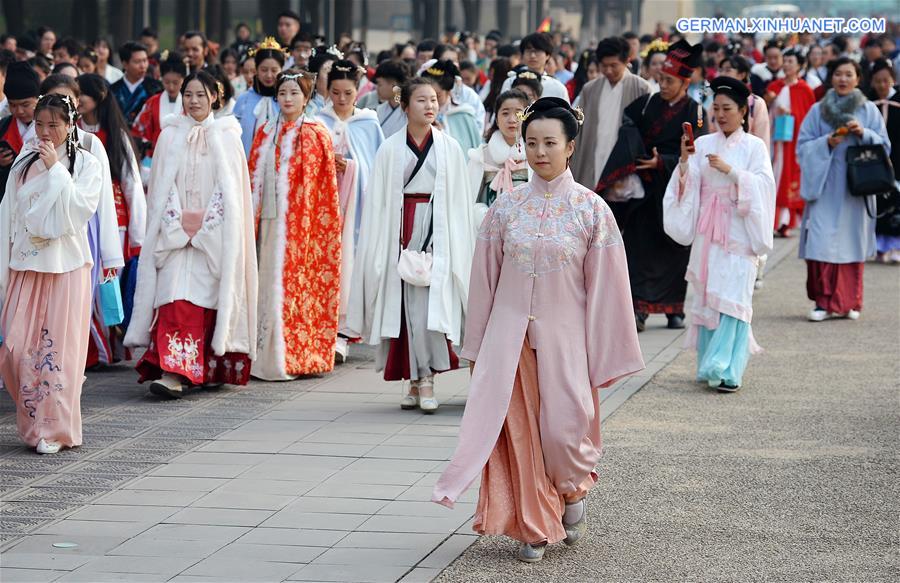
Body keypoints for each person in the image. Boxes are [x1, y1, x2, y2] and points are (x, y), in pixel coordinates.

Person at [433, 97, 644, 563]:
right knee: (520, 434)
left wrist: (602, 352)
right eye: (531, 143)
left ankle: (571, 491)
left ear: (570, 147)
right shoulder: (505, 208)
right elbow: (484, 281)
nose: (540, 152)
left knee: (565, 434)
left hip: (567, 343)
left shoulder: (591, 210)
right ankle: (532, 524)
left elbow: (609, 289)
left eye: (550, 142)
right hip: (509, 342)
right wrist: (476, 346)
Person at [125, 70, 257, 398]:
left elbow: (232, 194)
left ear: (215, 96)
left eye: (201, 94)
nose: (194, 101)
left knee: (204, 301)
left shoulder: (228, 136)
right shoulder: (170, 135)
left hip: (212, 238)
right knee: (174, 298)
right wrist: (177, 223)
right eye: (188, 94)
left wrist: (205, 225)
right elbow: (160, 189)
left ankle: (205, 367)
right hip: (173, 237)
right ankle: (174, 370)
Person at [347, 78, 475, 414]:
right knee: (406, 306)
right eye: (421, 100)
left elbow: (459, 201)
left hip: (437, 231)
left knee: (427, 304)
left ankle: (426, 378)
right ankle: (416, 379)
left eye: (434, 100)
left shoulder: (450, 147)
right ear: (405, 106)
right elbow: (378, 202)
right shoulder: (390, 148)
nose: (430, 106)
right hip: (400, 230)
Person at [0, 93, 102, 454]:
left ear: (70, 125)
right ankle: (32, 422)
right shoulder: (23, 163)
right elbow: (9, 215)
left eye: (53, 125)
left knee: (58, 352)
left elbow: (80, 210)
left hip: (66, 267)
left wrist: (56, 170)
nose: (44, 132)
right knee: (16, 350)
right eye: (39, 124)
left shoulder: (86, 163)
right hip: (26, 266)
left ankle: (55, 430)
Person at [663, 76, 775, 391]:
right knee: (711, 296)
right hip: (709, 232)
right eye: (716, 108)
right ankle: (709, 364)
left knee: (735, 296)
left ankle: (728, 369)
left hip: (739, 228)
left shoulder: (755, 147)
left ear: (743, 112)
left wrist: (734, 173)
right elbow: (688, 186)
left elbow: (765, 187)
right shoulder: (704, 144)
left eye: (728, 108)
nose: (721, 114)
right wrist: (685, 160)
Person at [596, 39, 707, 332]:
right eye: (661, 80)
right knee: (639, 248)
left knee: (675, 246)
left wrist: (664, 162)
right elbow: (629, 124)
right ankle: (639, 309)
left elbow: (697, 153)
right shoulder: (647, 104)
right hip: (644, 189)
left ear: (685, 82)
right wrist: (636, 155)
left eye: (670, 81)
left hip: (674, 187)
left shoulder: (695, 112)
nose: (664, 85)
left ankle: (674, 309)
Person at [248, 69, 341, 379]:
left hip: (302, 223)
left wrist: (309, 222)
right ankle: (261, 354)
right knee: (263, 281)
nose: (287, 99)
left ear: (306, 98)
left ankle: (295, 354)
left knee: (295, 283)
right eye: (283, 93)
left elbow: (324, 189)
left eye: (294, 93)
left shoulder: (316, 132)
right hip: (267, 221)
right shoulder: (264, 132)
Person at [796, 57, 890, 322]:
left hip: (855, 189)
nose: (843, 79)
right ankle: (823, 302)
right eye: (838, 74)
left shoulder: (869, 110)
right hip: (824, 184)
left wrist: (864, 134)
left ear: (858, 79)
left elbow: (885, 146)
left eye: (849, 74)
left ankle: (850, 301)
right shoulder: (817, 110)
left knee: (851, 243)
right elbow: (802, 148)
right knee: (822, 241)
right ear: (831, 78)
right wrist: (827, 142)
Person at [40, 74, 126, 314]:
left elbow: (105, 201)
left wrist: (109, 256)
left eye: (66, 100)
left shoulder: (90, 143)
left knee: (74, 309)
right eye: (52, 99)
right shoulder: (33, 144)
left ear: (77, 103)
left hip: (82, 233)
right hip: (40, 236)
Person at [77, 74, 147, 366]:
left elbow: (132, 182)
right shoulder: (72, 130)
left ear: (100, 96)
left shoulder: (114, 134)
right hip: (81, 219)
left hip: (113, 219)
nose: (77, 99)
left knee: (105, 285)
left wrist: (138, 235)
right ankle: (93, 352)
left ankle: (108, 349)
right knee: (85, 286)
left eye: (82, 94)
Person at [570, 37, 650, 192]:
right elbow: (578, 129)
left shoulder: (641, 88)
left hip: (623, 162)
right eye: (604, 66)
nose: (608, 71)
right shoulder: (590, 90)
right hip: (594, 155)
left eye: (614, 66)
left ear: (627, 61)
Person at [765, 47, 816, 236]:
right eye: (784, 61)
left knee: (790, 177)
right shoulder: (774, 87)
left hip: (794, 142)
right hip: (774, 140)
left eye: (790, 62)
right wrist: (771, 102)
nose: (786, 65)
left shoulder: (805, 90)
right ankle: (773, 220)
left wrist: (791, 114)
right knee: (774, 174)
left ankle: (786, 221)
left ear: (800, 66)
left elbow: (808, 117)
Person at [467, 89, 529, 223]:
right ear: (497, 118)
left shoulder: (535, 154)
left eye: (518, 113)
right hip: (487, 228)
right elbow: (467, 199)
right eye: (505, 113)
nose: (512, 119)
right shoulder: (480, 155)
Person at [867, 58, 900, 263]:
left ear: (893, 80)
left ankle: (896, 246)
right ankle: (879, 246)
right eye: (877, 81)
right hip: (877, 162)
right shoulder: (869, 104)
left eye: (885, 80)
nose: (881, 85)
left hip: (898, 160)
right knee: (880, 204)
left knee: (897, 204)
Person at [233, 37, 285, 157]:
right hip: (247, 166)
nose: (269, 75)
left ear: (282, 69)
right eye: (264, 70)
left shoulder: (286, 100)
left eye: (274, 70)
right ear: (256, 69)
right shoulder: (243, 100)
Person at [133, 51, 187, 160]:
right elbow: (139, 130)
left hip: (183, 157)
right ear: (161, 78)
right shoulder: (152, 102)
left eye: (175, 82)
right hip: (156, 157)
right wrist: (146, 144)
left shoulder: (189, 103)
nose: (171, 87)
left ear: (183, 79)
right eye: (167, 82)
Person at [0, 62, 40, 203]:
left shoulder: (51, 127)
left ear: (38, 98)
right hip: (7, 199)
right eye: (12, 105)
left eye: (25, 104)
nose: (19, 111)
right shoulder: (3, 126)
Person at [421, 60, 481, 152]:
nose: (431, 103)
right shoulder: (418, 113)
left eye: (437, 96)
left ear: (449, 91)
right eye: (424, 97)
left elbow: (469, 150)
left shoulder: (463, 115)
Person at [715, 55, 770, 145]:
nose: (722, 74)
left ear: (742, 75)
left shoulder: (756, 103)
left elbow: (763, 138)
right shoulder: (717, 101)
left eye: (728, 70)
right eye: (721, 70)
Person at [499, 33, 570, 102]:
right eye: (529, 51)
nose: (533, 55)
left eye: (537, 51)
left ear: (547, 55)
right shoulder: (510, 82)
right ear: (522, 54)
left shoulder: (557, 87)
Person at [111, 42, 163, 126]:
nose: (143, 66)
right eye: (137, 62)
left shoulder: (157, 88)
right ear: (125, 64)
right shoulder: (113, 90)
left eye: (145, 60)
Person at [372, 59, 410, 138]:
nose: (377, 89)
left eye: (380, 84)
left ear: (394, 85)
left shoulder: (410, 111)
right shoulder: (380, 110)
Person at [305, 46, 338, 118]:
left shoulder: (342, 104)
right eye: (328, 71)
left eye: (335, 72)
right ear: (315, 78)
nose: (333, 76)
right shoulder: (305, 107)